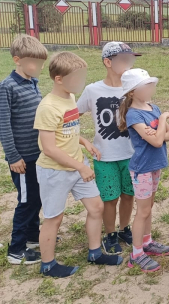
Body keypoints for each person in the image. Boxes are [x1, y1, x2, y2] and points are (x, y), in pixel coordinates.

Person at [34, 52, 123, 278]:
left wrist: (83, 142)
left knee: (96, 207)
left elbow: (67, 130)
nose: (81, 83)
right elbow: (49, 148)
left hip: (76, 165)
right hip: (55, 171)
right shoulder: (48, 107)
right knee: (54, 218)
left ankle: (94, 253)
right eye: (77, 78)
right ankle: (48, 264)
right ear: (58, 79)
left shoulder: (70, 97)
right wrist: (81, 166)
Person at [77, 42, 141, 255]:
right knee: (109, 198)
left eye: (130, 60)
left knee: (128, 195)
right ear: (107, 62)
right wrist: (84, 141)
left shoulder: (133, 90)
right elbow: (69, 120)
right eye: (123, 60)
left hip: (131, 154)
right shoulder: (92, 90)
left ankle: (124, 229)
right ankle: (110, 234)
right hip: (104, 157)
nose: (128, 64)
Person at [118, 68, 169, 272]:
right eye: (146, 85)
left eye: (152, 84)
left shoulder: (153, 107)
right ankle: (136, 253)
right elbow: (159, 140)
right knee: (142, 211)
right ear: (132, 92)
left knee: (148, 207)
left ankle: (147, 242)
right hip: (141, 169)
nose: (152, 88)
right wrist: (162, 122)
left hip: (155, 166)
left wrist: (158, 131)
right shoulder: (134, 115)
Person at [0, 35, 47, 265]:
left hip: (37, 155)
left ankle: (32, 237)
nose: (38, 67)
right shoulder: (7, 87)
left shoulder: (33, 83)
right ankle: (16, 250)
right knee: (26, 201)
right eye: (34, 63)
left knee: (37, 198)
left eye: (41, 63)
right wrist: (13, 156)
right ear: (17, 60)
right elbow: (4, 125)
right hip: (22, 158)